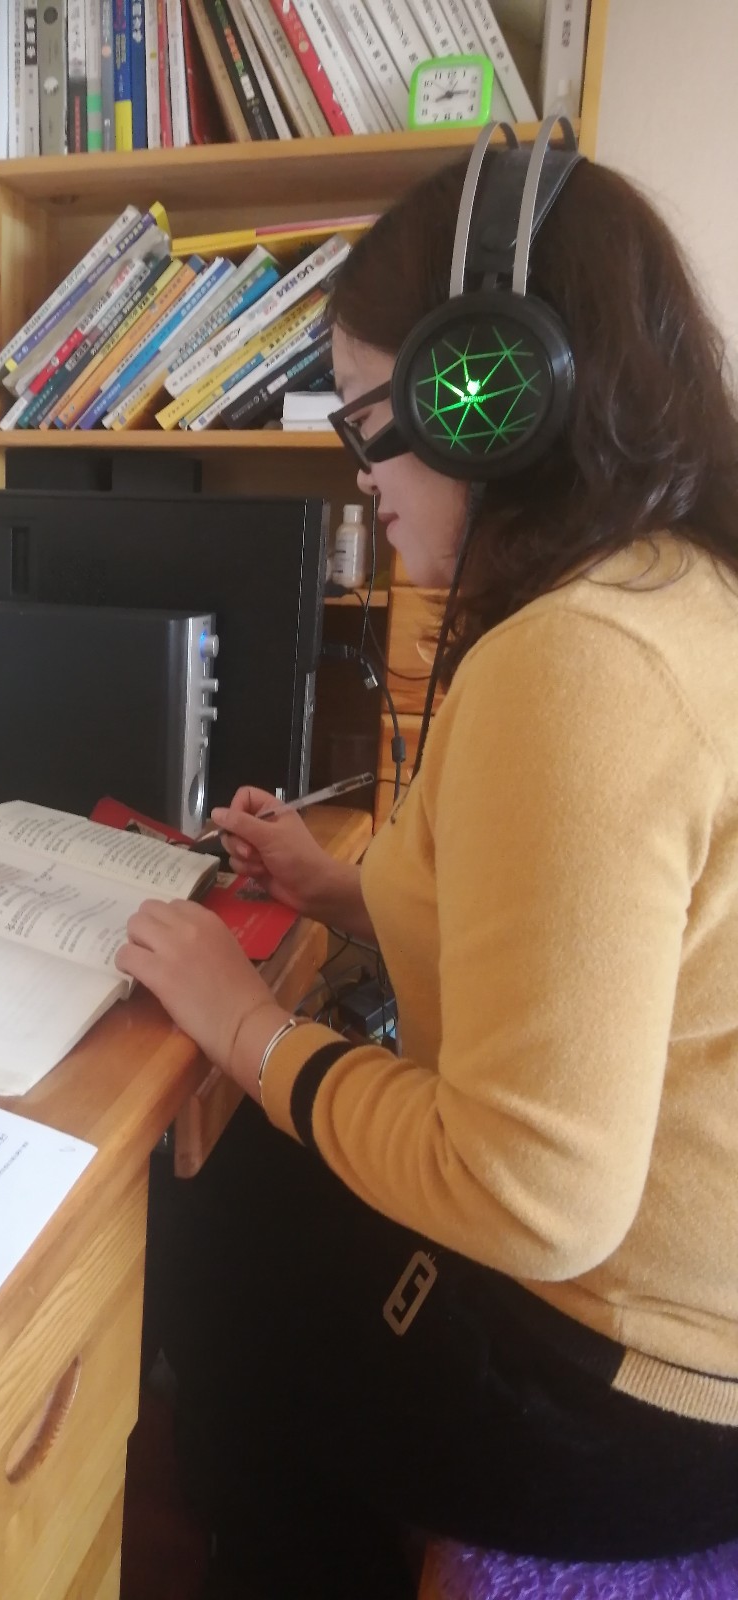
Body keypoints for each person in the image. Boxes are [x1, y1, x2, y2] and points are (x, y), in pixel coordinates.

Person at [117, 144, 738, 1599]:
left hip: (634, 1389)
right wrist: (338, 892)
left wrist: (248, 1023)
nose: (363, 474)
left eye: (367, 419)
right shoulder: (674, 592)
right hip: (689, 1332)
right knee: (255, 1188)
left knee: (210, 1232)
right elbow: (603, 937)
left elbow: (532, 1194)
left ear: (492, 395)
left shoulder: (582, 664)